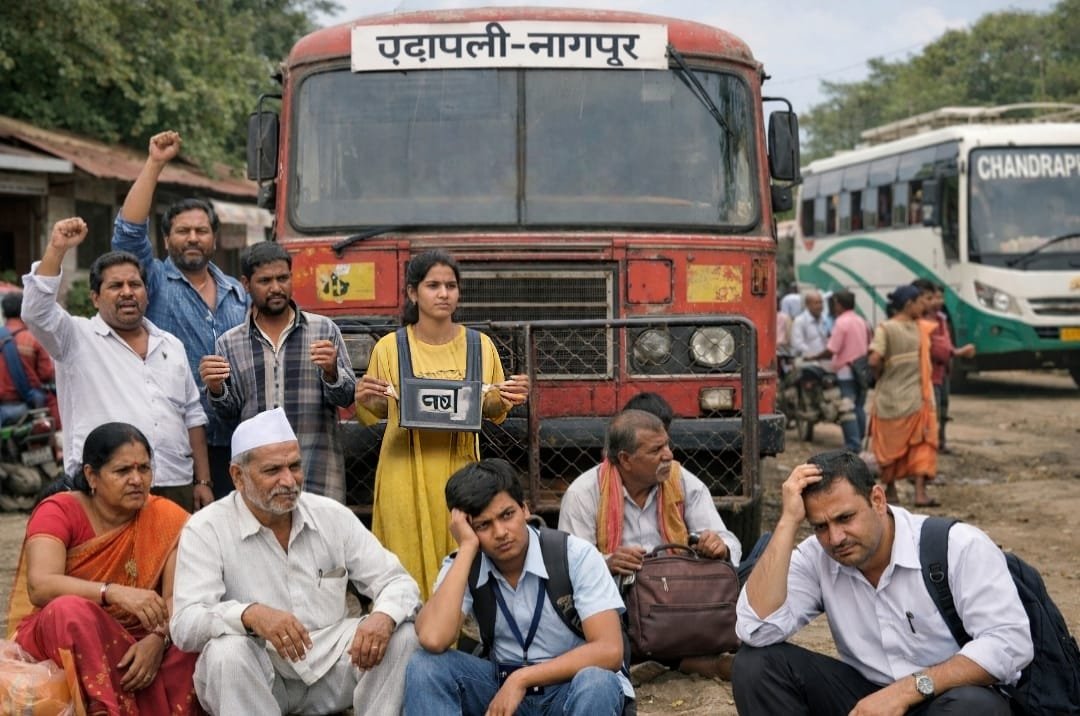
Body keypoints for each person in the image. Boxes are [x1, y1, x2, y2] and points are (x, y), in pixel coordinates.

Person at [732, 450, 1032, 715]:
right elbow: (754, 629)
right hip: (864, 701)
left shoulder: (958, 546)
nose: (835, 538)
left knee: (975, 707)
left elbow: (1009, 644)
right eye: (820, 526)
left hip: (940, 695)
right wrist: (787, 522)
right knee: (756, 665)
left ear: (877, 500)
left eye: (845, 518)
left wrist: (906, 691)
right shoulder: (818, 556)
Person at [170, 407, 421, 716]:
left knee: (402, 635)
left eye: (295, 466)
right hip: (262, 671)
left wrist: (383, 616)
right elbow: (185, 624)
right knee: (227, 653)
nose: (289, 480)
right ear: (238, 476)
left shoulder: (331, 515)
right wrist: (249, 614)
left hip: (333, 663)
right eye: (272, 470)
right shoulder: (206, 528)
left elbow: (397, 581)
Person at [354, 250, 528, 598]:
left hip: (461, 474)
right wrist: (366, 397)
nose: (444, 293)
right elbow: (374, 412)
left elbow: (491, 408)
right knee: (403, 562)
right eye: (433, 285)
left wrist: (510, 395)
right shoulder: (389, 348)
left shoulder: (480, 346)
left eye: (451, 285)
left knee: (460, 557)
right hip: (404, 473)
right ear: (413, 292)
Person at [405, 458, 632, 716]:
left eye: (507, 515)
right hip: (500, 689)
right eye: (483, 525)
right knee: (425, 666)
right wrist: (467, 547)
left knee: (597, 682)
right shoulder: (465, 564)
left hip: (568, 686)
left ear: (524, 509)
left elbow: (609, 650)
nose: (501, 532)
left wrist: (522, 678)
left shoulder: (575, 555)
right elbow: (434, 639)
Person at [7, 422, 202, 715]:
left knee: (195, 639)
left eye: (144, 469)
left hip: (142, 637)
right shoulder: (58, 510)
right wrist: (113, 593)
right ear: (91, 476)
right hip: (70, 632)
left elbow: (178, 596)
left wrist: (157, 639)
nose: (136, 479)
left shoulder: (166, 517)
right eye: (122, 471)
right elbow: (40, 585)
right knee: (69, 610)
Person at [22, 217, 212, 512]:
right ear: (95, 298)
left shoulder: (171, 345)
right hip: (106, 487)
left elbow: (192, 417)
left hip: (175, 484)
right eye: (115, 286)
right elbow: (36, 312)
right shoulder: (75, 337)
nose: (127, 292)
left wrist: (203, 481)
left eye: (135, 284)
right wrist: (57, 249)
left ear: (146, 293)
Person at [112, 130, 249, 499]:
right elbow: (128, 234)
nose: (192, 237)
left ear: (215, 239)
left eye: (201, 231)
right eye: (182, 231)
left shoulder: (239, 294)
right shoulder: (153, 282)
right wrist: (155, 163)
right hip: (175, 444)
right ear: (167, 239)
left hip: (236, 440)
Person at [559, 402, 742, 678]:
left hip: (679, 596)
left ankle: (662, 660)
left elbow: (729, 541)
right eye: (656, 450)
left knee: (756, 564)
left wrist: (720, 547)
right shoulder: (583, 493)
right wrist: (607, 562)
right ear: (626, 459)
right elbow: (569, 566)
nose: (668, 455)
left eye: (667, 445)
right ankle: (684, 660)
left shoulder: (681, 480)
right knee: (589, 611)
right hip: (624, 600)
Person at [199, 241, 356, 502]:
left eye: (282, 278)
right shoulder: (229, 343)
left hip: (316, 468)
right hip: (262, 476)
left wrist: (332, 372)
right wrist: (215, 388)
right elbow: (228, 414)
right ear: (246, 284)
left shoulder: (323, 330)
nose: (276, 288)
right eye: (265, 281)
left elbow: (347, 398)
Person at [868, 284, 940, 506]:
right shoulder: (920, 329)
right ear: (909, 304)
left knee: (888, 448)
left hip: (889, 399)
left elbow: (874, 359)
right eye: (920, 302)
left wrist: (880, 375)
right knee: (922, 445)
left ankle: (891, 492)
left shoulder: (886, 328)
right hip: (917, 398)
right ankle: (919, 493)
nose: (924, 306)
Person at [912, 279, 975, 454]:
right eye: (932, 298)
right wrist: (959, 352)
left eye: (940, 297)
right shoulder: (922, 322)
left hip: (942, 372)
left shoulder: (941, 319)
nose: (937, 301)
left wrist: (952, 352)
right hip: (929, 374)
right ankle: (928, 445)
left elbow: (945, 345)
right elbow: (938, 349)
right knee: (931, 411)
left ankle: (940, 442)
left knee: (942, 409)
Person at [807, 290, 869, 452]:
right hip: (861, 370)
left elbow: (831, 350)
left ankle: (853, 444)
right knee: (859, 406)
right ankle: (860, 440)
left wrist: (814, 357)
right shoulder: (861, 321)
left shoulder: (841, 323)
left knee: (847, 407)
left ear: (839, 304)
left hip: (845, 371)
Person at [0, 290, 59, 427]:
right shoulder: (33, 339)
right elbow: (46, 374)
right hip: (28, 409)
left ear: (4, 313)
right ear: (24, 311)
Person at [791, 289, 829, 360]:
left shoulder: (824, 319)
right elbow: (797, 344)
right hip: (808, 361)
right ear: (808, 305)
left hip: (824, 359)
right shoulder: (800, 321)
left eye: (821, 302)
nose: (820, 306)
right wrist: (814, 354)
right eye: (816, 303)